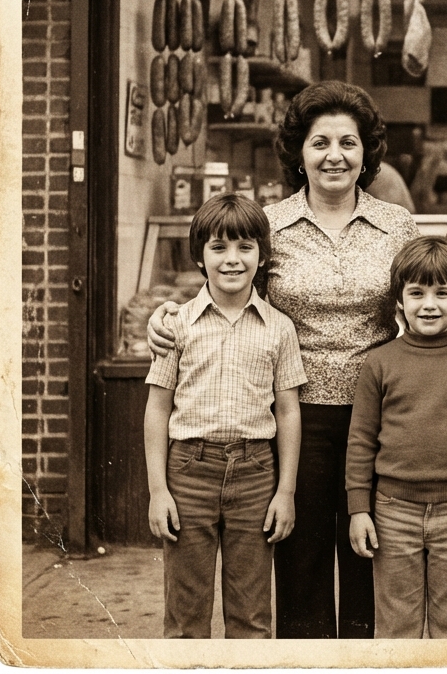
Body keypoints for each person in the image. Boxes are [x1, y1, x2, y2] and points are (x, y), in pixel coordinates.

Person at [146, 80, 447, 639]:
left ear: (366, 154)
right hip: (293, 417)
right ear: (299, 153)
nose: (335, 155)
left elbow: (423, 293)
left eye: (348, 143)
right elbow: (221, 290)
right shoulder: (270, 225)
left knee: (367, 553)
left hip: (380, 416)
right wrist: (164, 315)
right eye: (320, 143)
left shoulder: (397, 225)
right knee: (299, 560)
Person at [143, 194, 305, 638]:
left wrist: (285, 492)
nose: (232, 259)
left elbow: (288, 411)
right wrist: (159, 490)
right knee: (184, 616)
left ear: (262, 254)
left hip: (255, 474)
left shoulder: (279, 327)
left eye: (245, 247)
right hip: (188, 472)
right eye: (218, 248)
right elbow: (158, 408)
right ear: (199, 256)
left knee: (251, 616)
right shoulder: (177, 324)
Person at [346, 237, 447, 638]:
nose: (429, 304)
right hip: (392, 512)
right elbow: (362, 441)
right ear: (399, 301)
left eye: (442, 293)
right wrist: (358, 509)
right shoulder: (380, 363)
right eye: (416, 293)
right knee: (396, 628)